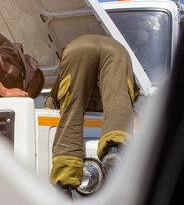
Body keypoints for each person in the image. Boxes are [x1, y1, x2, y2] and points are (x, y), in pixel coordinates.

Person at [44, 34, 140, 193]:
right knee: (118, 100)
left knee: (72, 113)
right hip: (117, 50)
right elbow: (128, 95)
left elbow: (54, 100)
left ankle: (64, 184)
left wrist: (50, 111)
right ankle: (116, 151)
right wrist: (131, 110)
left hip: (78, 47)